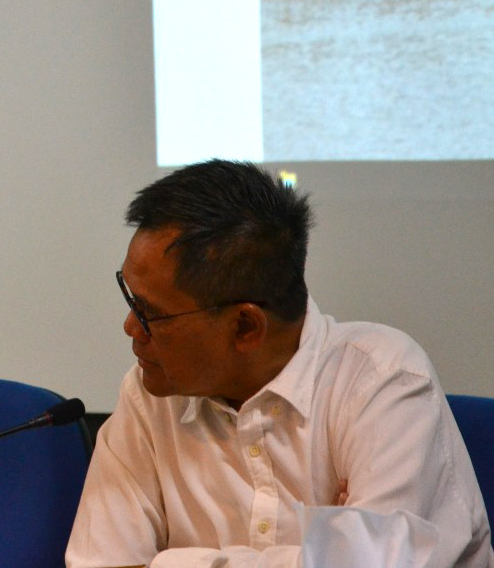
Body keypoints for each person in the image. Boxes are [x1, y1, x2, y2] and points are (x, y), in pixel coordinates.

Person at [66, 160, 493, 568]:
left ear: (246, 327)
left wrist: (165, 561)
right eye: (129, 296)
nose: (129, 327)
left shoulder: (383, 381)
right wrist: (321, 552)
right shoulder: (149, 396)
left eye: (149, 312)